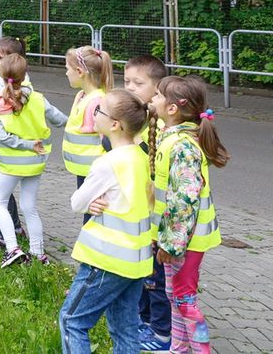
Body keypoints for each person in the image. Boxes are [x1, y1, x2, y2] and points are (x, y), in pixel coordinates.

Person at [60, 89, 154, 354]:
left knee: (72, 321)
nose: (95, 111)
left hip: (106, 260)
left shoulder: (108, 163)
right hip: (135, 262)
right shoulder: (140, 156)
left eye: (99, 110)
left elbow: (76, 203)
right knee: (126, 329)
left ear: (115, 124)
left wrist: (88, 202)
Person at [148, 76, 229, 354]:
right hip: (180, 237)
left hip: (186, 240)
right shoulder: (173, 137)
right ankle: (179, 348)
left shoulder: (182, 146)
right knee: (174, 295)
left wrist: (171, 244)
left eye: (157, 95)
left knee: (184, 298)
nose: (153, 99)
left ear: (172, 109)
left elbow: (184, 201)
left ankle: (201, 350)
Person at [0, 53, 67, 266]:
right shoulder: (38, 99)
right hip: (36, 161)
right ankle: (38, 253)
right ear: (25, 75)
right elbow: (59, 120)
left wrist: (25, 144)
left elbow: (2, 138)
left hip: (11, 163)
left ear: (1, 74)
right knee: (29, 206)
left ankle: (12, 248)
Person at [121, 55, 171, 353]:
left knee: (157, 279)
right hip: (139, 215)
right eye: (126, 81)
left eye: (138, 83)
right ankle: (143, 320)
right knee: (143, 274)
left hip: (159, 221)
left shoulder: (164, 126)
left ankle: (161, 332)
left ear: (158, 88)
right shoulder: (135, 120)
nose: (130, 88)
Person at [0, 37, 30, 245]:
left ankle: (5, 236)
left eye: (1, 57)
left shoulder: (24, 85)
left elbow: (19, 117)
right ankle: (15, 227)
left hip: (9, 145)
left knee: (2, 193)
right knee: (2, 191)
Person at [63, 45, 113, 189]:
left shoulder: (97, 101)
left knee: (92, 211)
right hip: (85, 170)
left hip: (95, 174)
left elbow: (108, 140)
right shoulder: (82, 96)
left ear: (79, 72)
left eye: (67, 68)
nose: (66, 73)